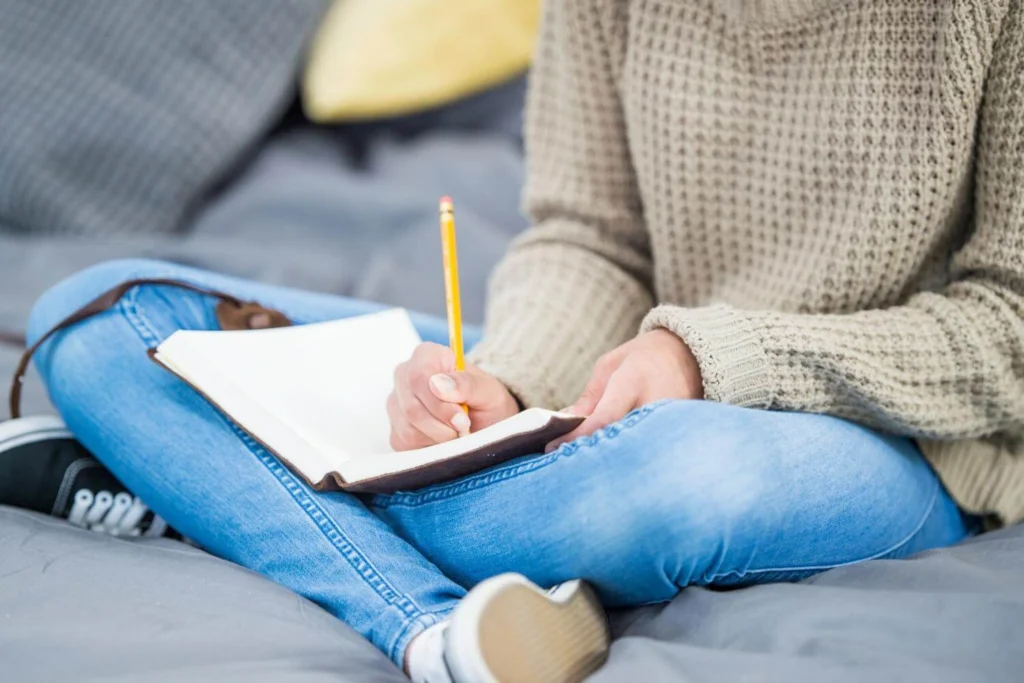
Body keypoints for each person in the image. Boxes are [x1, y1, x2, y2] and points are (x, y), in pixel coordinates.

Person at [3, 1, 1023, 681]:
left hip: (892, 435)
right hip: (612, 387)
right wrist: (495, 377)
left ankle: (213, 492)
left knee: (667, 487)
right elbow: (587, 236)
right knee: (101, 319)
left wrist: (709, 361)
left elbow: (1010, 325)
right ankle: (437, 628)